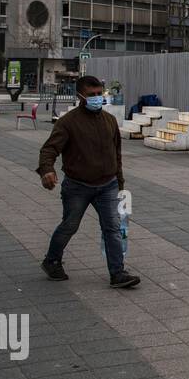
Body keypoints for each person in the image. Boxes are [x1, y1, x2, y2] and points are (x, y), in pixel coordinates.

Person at [36, 75, 140, 289]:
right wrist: (46, 170)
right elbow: (49, 149)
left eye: (99, 94)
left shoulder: (109, 121)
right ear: (80, 96)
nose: (96, 98)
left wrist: (119, 182)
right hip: (78, 186)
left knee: (112, 227)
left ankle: (118, 273)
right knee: (70, 225)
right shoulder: (68, 122)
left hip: (108, 185)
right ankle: (52, 261)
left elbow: (116, 154)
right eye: (91, 95)